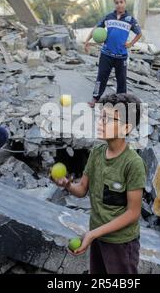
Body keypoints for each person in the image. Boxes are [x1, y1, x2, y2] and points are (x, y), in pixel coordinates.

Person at [53, 93, 146, 274]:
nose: (101, 122)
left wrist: (93, 234)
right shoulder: (97, 152)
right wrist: (67, 185)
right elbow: (81, 190)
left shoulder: (133, 164)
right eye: (101, 117)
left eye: (109, 119)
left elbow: (133, 213)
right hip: (97, 235)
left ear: (126, 127)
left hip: (121, 243)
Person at [84, 0, 143, 108]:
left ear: (125, 3)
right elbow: (96, 29)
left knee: (121, 81)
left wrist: (131, 43)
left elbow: (139, 33)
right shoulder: (108, 17)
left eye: (121, 2)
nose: (119, 5)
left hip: (121, 57)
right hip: (106, 54)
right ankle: (95, 99)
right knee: (101, 78)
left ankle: (121, 103)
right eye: (117, 3)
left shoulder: (130, 19)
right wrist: (87, 41)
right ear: (114, 4)